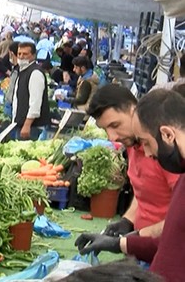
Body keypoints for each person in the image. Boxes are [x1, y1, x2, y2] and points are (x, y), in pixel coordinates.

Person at [76, 89, 185, 282]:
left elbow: (172, 228)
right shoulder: (138, 148)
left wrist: (129, 238)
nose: (111, 137)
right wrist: (126, 229)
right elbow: (168, 238)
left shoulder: (172, 163)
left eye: (115, 125)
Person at [84, 85, 179, 238]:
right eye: (105, 129)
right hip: (143, 249)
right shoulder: (131, 144)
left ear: (134, 110)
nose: (112, 137)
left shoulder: (163, 149)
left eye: (115, 125)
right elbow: (144, 192)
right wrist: (128, 220)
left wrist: (136, 238)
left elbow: (180, 218)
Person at [11, 42, 49, 140]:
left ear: (33, 55)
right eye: (19, 54)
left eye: (25, 54)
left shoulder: (35, 73)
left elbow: (35, 102)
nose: (21, 56)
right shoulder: (23, 70)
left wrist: (27, 124)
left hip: (31, 127)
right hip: (20, 123)